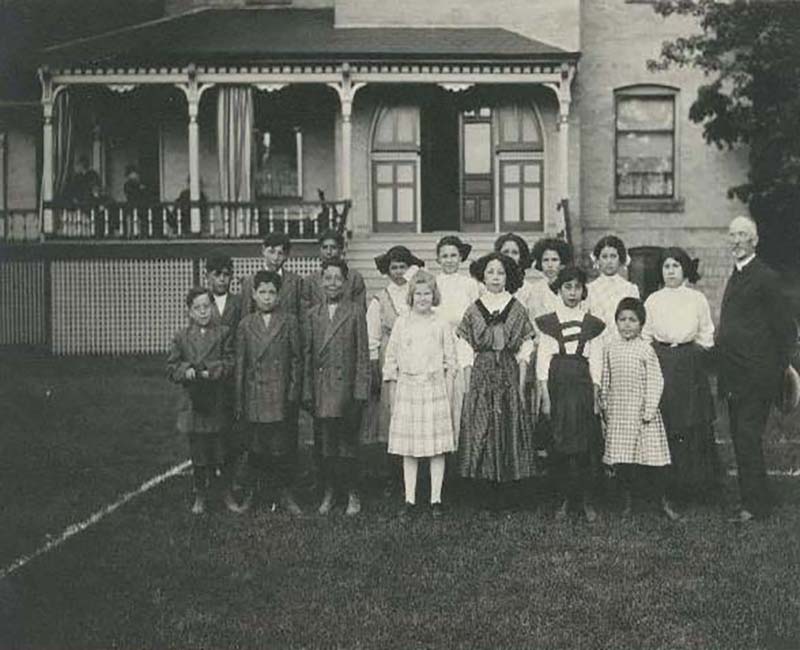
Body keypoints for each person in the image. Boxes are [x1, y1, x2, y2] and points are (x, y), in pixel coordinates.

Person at [716, 216, 796, 523]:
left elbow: (784, 329)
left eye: (742, 235)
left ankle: (755, 506)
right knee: (740, 436)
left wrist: (777, 370)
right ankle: (758, 496)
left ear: (755, 241)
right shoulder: (737, 274)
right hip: (735, 374)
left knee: (747, 436)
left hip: (756, 376)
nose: (735, 240)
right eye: (732, 234)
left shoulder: (765, 277)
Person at [642, 247, 720, 503]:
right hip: (662, 361)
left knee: (692, 421)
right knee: (667, 421)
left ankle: (695, 484)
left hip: (690, 362)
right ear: (660, 271)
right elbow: (646, 334)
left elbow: (706, 332)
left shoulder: (696, 299)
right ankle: (667, 484)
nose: (671, 271)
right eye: (666, 266)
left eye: (675, 266)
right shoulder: (653, 300)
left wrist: (696, 353)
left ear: (684, 269)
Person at [457, 252, 536, 504]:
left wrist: (521, 377)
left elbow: (526, 344)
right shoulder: (473, 309)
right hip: (482, 371)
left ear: (508, 277)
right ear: (483, 276)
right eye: (490, 272)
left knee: (508, 422)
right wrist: (470, 379)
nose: (495, 277)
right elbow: (464, 344)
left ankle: (509, 488)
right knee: (482, 424)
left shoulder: (517, 307)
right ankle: (484, 486)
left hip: (508, 371)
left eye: (500, 272)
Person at [384, 270, 457, 519]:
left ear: (434, 295)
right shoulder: (402, 322)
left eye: (427, 293)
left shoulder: (441, 323)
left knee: (437, 448)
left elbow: (451, 360)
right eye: (418, 294)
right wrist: (393, 393)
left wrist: (447, 393)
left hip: (434, 388)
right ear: (411, 296)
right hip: (408, 387)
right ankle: (410, 499)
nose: (423, 298)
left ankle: (436, 499)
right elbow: (391, 360)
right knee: (410, 448)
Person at [536, 267, 604, 522]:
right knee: (560, 443)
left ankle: (586, 500)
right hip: (558, 384)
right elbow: (543, 362)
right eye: (567, 287)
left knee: (586, 445)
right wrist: (545, 394)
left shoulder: (592, 325)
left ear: (583, 290)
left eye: (577, 287)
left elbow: (596, 361)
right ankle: (563, 499)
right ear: (559, 290)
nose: (572, 292)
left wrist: (596, 392)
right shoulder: (549, 323)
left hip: (582, 385)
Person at [601, 297, 679, 520]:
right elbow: (606, 377)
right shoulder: (610, 348)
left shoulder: (646, 349)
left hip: (643, 412)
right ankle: (627, 502)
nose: (627, 324)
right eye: (622, 319)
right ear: (616, 322)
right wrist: (605, 404)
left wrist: (649, 409)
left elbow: (656, 380)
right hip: (619, 413)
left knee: (652, 459)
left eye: (632, 320)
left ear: (641, 324)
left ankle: (661, 501)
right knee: (623, 461)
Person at [233, 270, 303, 515]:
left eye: (271, 292)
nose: (266, 297)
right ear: (253, 294)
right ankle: (254, 493)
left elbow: (296, 360)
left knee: (280, 448)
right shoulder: (245, 325)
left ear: (279, 295)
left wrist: (293, 393)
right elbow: (241, 365)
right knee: (256, 448)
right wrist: (240, 400)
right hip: (255, 395)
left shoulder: (289, 321)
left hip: (280, 395)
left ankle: (284, 493)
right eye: (261, 292)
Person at [303, 259, 369, 516]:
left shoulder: (354, 312)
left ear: (345, 282)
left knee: (348, 445)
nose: (332, 283)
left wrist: (360, 393)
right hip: (321, 390)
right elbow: (308, 355)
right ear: (321, 282)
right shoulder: (312, 315)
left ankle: (352, 493)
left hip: (346, 391)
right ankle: (330, 492)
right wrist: (308, 392)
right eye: (327, 278)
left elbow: (362, 355)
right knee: (326, 446)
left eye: (337, 279)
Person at [166, 287, 234, 515]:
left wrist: (210, 370)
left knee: (221, 449)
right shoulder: (181, 336)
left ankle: (226, 494)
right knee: (199, 452)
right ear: (190, 311)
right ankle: (200, 495)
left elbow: (230, 362)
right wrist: (187, 370)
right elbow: (172, 367)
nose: (203, 312)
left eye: (207, 306)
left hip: (216, 400)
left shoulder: (224, 332)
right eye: (198, 308)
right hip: (193, 403)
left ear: (213, 307)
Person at [362, 245, 424, 490]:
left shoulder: (418, 293)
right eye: (394, 267)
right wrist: (376, 365)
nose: (398, 272)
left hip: (416, 356)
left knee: (416, 415)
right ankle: (394, 475)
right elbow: (372, 337)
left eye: (403, 266)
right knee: (392, 416)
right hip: (391, 356)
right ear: (387, 271)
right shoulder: (381, 298)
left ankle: (420, 475)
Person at [433, 235, 481, 448]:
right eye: (444, 256)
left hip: (463, 343)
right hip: (437, 344)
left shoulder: (470, 284)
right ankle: (440, 448)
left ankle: (463, 448)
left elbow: (477, 316)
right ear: (438, 259)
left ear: (461, 257)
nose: (449, 260)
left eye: (453, 255)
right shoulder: (433, 282)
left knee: (462, 394)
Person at [205, 255, 244, 501]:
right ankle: (208, 480)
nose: (222, 279)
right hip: (207, 377)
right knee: (207, 430)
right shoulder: (201, 301)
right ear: (208, 276)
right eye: (217, 274)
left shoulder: (238, 303)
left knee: (232, 431)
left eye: (226, 274)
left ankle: (230, 482)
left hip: (232, 375)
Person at [586, 235, 640, 351]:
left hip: (625, 347)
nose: (609, 261)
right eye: (604, 257)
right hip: (597, 347)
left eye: (613, 256)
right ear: (597, 260)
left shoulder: (630, 289)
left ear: (620, 259)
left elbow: (636, 321)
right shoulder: (589, 289)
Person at [304, 229, 366, 310]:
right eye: (325, 247)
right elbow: (305, 312)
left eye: (333, 247)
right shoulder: (311, 281)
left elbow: (360, 310)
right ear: (320, 250)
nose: (328, 252)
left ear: (340, 250)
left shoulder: (354, 278)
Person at [494, 232, 538, 306]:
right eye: (505, 252)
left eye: (515, 253)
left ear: (521, 257)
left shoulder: (529, 291)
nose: (509, 256)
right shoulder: (489, 287)